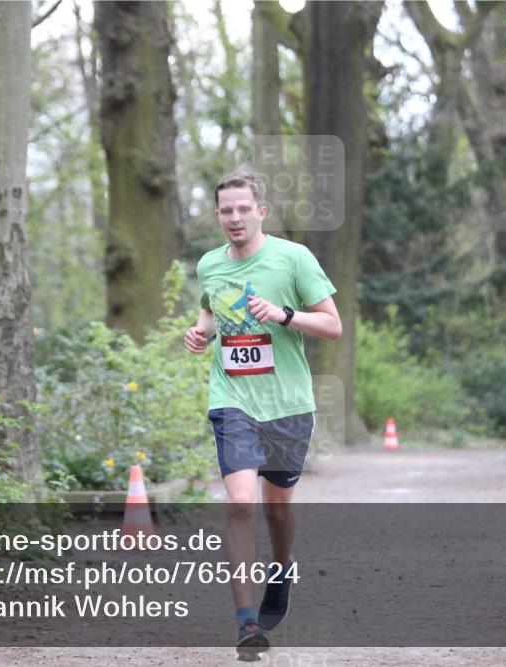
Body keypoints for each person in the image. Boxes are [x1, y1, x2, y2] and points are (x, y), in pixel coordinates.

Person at [184, 171, 342, 654]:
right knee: (240, 504)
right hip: (233, 400)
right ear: (218, 216)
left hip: (288, 406)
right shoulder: (210, 265)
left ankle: (282, 567)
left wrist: (285, 315)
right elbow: (211, 311)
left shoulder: (293, 258)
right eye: (226, 211)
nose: (234, 218)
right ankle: (246, 622)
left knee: (277, 508)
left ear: (261, 211)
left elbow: (333, 325)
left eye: (242, 209)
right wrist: (200, 332)